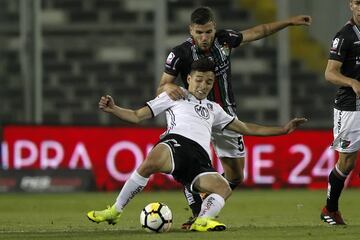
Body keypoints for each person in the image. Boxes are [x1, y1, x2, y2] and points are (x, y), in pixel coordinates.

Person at [87, 58, 307, 231]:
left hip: (199, 160)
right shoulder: (174, 95)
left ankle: (203, 220)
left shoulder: (215, 109)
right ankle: (115, 210)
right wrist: (114, 109)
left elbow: (247, 128)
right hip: (176, 143)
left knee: (223, 187)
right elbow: (137, 115)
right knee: (151, 161)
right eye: (199, 80)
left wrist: (283, 129)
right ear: (189, 79)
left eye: (209, 82)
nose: (203, 85)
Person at [157, 6, 312, 228]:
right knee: (193, 166)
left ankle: (201, 194)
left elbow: (260, 30)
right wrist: (168, 88)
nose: (204, 37)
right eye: (199, 32)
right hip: (194, 117)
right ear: (191, 30)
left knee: (236, 176)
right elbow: (162, 87)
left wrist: (288, 22)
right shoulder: (180, 53)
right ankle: (198, 211)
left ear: (214, 28)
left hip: (224, 116)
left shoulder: (225, 40)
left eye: (208, 31)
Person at [320, 0, 360, 226]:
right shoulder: (344, 36)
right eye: (359, 3)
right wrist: (352, 81)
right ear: (351, 5)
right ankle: (330, 209)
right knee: (347, 163)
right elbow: (330, 73)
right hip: (350, 106)